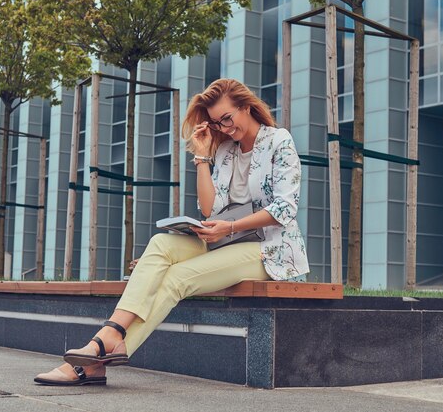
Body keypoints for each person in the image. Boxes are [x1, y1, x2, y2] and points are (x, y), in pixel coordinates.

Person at [34, 78, 309, 385]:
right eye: (217, 123)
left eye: (227, 118)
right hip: (223, 239)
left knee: (177, 277)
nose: (224, 128)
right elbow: (209, 209)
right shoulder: (226, 151)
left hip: (269, 250)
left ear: (246, 106)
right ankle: (109, 337)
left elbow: (285, 208)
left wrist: (230, 227)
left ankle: (95, 356)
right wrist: (203, 157)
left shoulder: (279, 141)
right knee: (161, 245)